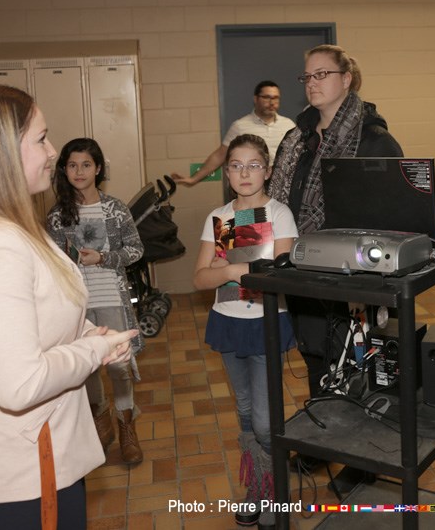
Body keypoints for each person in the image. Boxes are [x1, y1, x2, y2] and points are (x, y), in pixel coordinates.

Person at [0, 83, 138, 529]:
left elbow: (45, 318)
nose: (53, 152)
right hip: (23, 471)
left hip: (47, 458)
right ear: (1, 151)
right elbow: (20, 384)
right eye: (41, 138)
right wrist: (94, 351)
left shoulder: (17, 227)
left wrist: (89, 334)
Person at [268, 44, 402, 472]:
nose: (312, 84)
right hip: (304, 269)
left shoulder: (373, 138)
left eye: (322, 74)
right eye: (306, 77)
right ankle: (322, 442)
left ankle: (361, 460)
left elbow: (391, 214)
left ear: (347, 79)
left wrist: (368, 285)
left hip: (353, 276)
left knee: (356, 363)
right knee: (316, 358)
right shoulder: (296, 137)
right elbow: (277, 200)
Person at [193, 134, 298, 527]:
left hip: (267, 321)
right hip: (228, 320)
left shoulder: (278, 214)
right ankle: (258, 483)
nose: (244, 173)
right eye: (236, 165)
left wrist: (230, 268)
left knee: (266, 421)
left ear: (267, 170)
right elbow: (201, 279)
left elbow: (282, 272)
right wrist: (243, 270)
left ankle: (275, 488)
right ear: (226, 172)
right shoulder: (219, 217)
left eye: (254, 164)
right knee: (244, 412)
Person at [47, 137, 146, 466]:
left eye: (86, 165)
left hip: (112, 300)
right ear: (64, 169)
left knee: (119, 367)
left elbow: (136, 249)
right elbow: (49, 262)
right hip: (75, 306)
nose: (79, 171)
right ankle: (100, 422)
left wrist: (103, 257)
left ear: (98, 169)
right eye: (72, 165)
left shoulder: (115, 208)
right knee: (86, 368)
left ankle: (126, 429)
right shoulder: (57, 216)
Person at [173, 80, 295, 186]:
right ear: (256, 99)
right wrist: (193, 179)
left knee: (279, 213)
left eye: (275, 98)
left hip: (281, 187)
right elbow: (220, 155)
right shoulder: (240, 126)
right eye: (267, 97)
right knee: (246, 213)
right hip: (249, 187)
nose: (272, 102)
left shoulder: (289, 125)